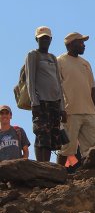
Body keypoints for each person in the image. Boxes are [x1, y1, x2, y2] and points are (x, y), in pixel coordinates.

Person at [56, 32, 95, 167]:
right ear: (70, 44)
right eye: (80, 42)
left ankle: (90, 177)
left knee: (93, 148)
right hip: (70, 112)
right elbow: (57, 89)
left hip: (89, 112)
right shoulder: (59, 61)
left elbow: (93, 88)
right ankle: (58, 177)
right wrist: (61, 110)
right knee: (66, 149)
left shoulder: (86, 63)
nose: (84, 45)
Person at [25, 26, 65, 162]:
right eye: (42, 38)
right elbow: (30, 80)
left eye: (47, 38)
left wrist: (62, 108)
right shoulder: (33, 55)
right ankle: (41, 167)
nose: (45, 41)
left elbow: (59, 83)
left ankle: (47, 166)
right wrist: (34, 102)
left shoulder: (53, 57)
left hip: (55, 103)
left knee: (53, 138)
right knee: (42, 135)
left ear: (51, 39)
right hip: (41, 102)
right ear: (36, 39)